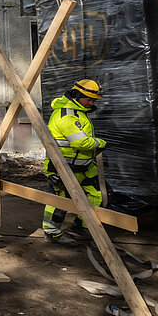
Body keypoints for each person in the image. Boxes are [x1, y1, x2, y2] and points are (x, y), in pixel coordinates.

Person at [42, 79, 106, 245]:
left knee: (96, 195)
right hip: (63, 167)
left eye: (94, 100)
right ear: (77, 96)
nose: (91, 103)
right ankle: (52, 233)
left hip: (83, 166)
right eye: (89, 99)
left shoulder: (79, 112)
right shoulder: (67, 116)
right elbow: (80, 143)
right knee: (60, 201)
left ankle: (83, 226)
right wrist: (100, 143)